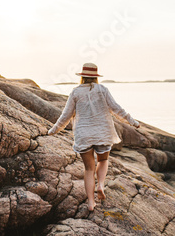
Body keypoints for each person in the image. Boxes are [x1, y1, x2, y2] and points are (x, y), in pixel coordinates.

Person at [48, 63, 140, 211]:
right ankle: (101, 185)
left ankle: (91, 203)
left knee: (89, 169)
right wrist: (132, 121)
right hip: (102, 132)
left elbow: (66, 115)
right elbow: (116, 108)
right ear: (95, 77)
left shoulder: (75, 92)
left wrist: (54, 129)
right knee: (103, 160)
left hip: (84, 135)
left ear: (82, 77)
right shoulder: (102, 90)